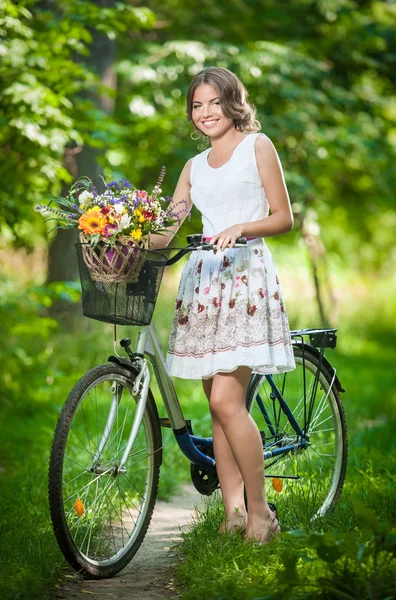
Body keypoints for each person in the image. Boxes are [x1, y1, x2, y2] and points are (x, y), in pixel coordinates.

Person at [149, 66, 296, 544]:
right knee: (217, 409)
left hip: (244, 281)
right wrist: (119, 234)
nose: (205, 113)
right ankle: (232, 514)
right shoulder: (193, 167)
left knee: (226, 401)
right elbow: (168, 228)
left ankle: (261, 513)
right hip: (204, 287)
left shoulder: (259, 147)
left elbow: (283, 218)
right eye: (197, 105)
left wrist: (241, 228)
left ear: (233, 103)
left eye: (214, 102)